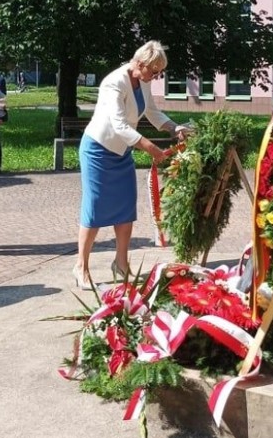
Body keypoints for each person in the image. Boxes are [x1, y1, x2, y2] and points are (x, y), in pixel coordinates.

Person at [74, 40, 190, 289]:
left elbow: (152, 112)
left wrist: (174, 127)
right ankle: (81, 267)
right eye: (154, 71)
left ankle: (121, 263)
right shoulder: (113, 82)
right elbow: (119, 125)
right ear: (140, 63)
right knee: (94, 208)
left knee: (126, 207)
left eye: (160, 72)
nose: (156, 76)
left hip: (121, 151)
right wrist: (151, 149)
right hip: (97, 150)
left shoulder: (143, 81)